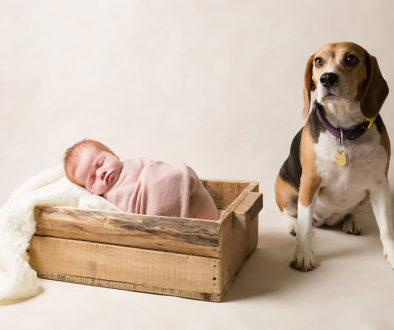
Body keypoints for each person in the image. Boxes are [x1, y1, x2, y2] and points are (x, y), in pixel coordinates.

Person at [63, 139, 218, 220]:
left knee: (176, 177)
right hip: (159, 219)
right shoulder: (106, 201)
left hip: (185, 197)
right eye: (92, 179)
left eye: (100, 163)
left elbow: (159, 171)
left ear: (113, 154)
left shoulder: (135, 163)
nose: (101, 173)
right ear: (89, 191)